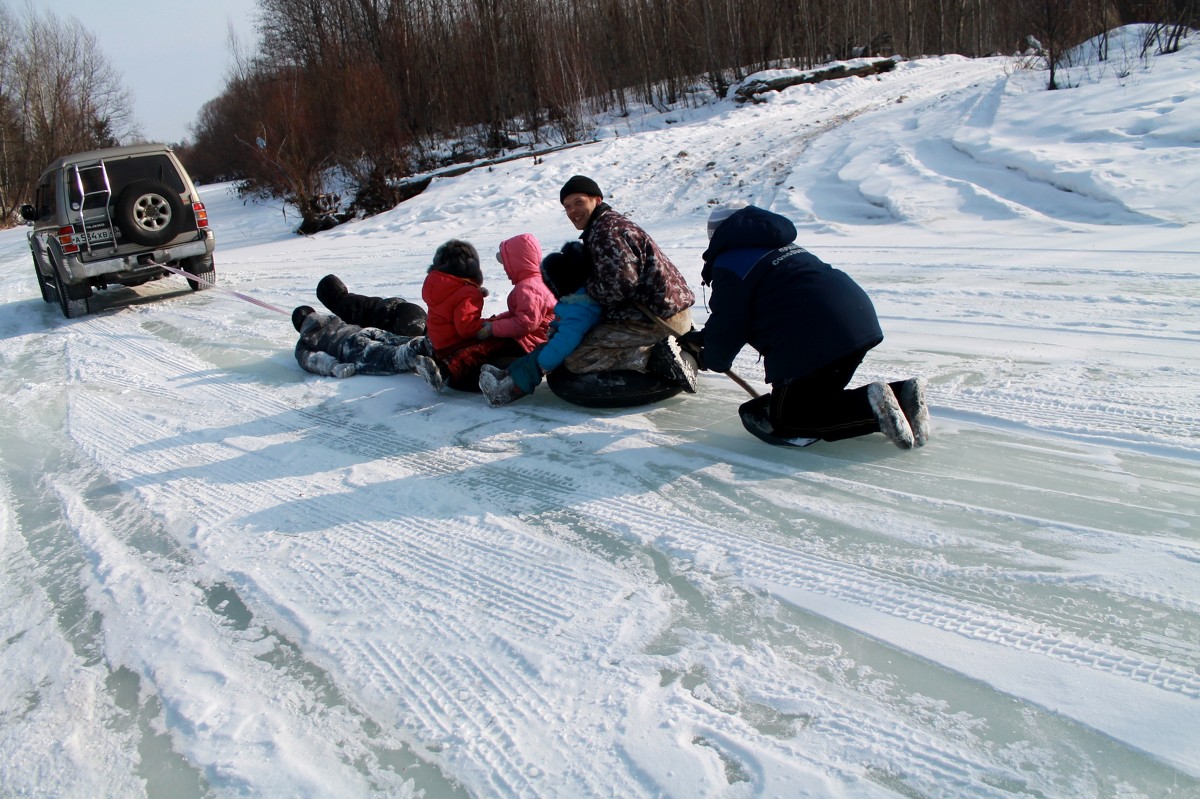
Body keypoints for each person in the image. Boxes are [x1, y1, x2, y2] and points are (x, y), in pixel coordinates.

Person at [680, 203, 930, 449]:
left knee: (790, 419)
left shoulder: (730, 262)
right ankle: (902, 394)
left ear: (718, 233)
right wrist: (704, 338)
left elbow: (730, 324)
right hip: (856, 323)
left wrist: (711, 358)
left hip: (811, 338)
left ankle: (869, 407)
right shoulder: (781, 247)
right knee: (818, 397)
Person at [556, 175, 698, 392]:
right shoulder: (611, 224)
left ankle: (655, 357)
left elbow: (619, 287)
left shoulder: (606, 232)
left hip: (658, 321)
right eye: (567, 206)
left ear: (597, 199)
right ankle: (674, 344)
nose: (573, 211)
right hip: (672, 313)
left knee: (576, 356)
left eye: (579, 202)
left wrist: (587, 288)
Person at [478, 242, 602, 406]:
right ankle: (506, 375)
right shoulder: (575, 302)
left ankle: (507, 390)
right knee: (536, 354)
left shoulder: (580, 311)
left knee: (535, 363)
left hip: (573, 352)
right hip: (561, 343)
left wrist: (546, 362)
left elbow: (567, 339)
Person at [418, 238, 519, 392]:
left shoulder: (437, 287)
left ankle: (440, 366)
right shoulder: (467, 292)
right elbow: (466, 328)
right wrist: (490, 326)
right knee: (493, 344)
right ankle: (445, 372)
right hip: (457, 347)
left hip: (439, 346)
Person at [291, 305, 436, 380]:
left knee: (389, 357)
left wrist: (334, 367)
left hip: (350, 347)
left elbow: (313, 360)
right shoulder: (329, 318)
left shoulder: (305, 341)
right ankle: (427, 345)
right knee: (398, 341)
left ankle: (411, 358)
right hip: (363, 331)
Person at [477, 232, 557, 355]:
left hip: (529, 342)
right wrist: (497, 319)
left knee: (480, 352)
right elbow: (520, 313)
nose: (505, 268)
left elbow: (525, 323)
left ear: (517, 262)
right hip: (530, 338)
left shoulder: (529, 288)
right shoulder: (535, 281)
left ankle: (448, 370)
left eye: (506, 263)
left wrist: (493, 329)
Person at [315, 274, 427, 337]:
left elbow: (353, 335)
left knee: (413, 346)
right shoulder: (353, 299)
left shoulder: (344, 307)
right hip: (410, 310)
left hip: (400, 318)